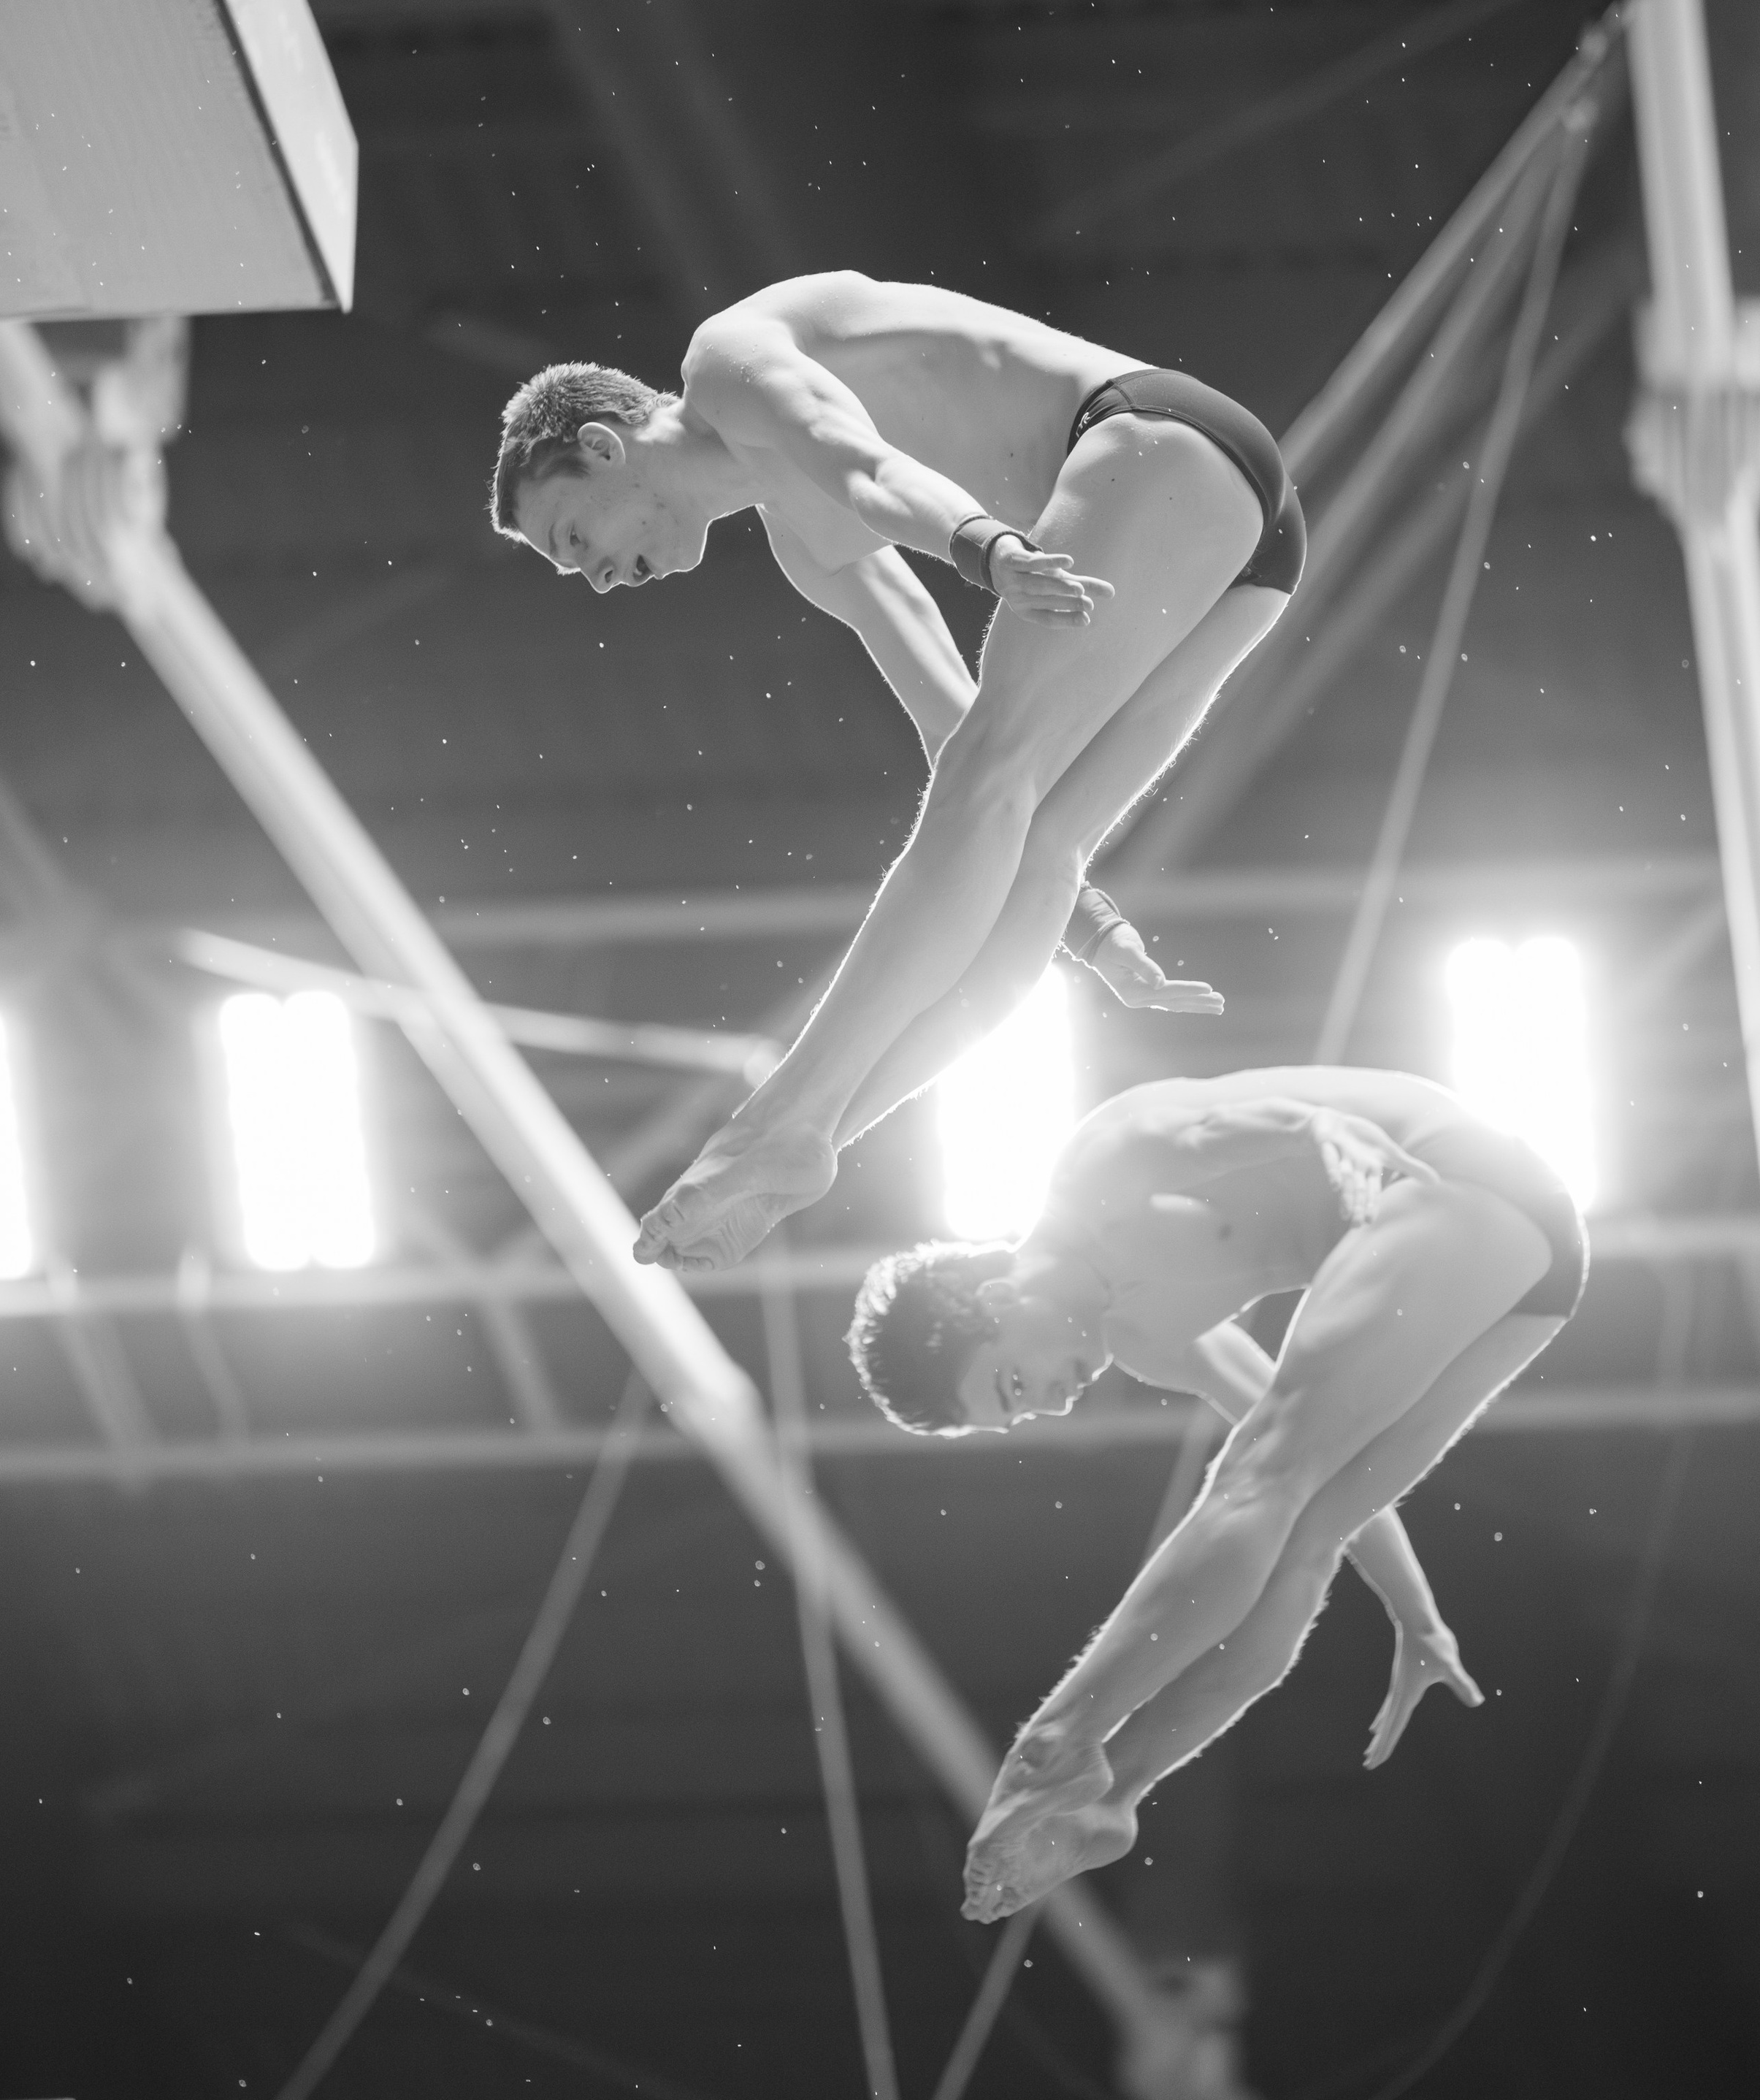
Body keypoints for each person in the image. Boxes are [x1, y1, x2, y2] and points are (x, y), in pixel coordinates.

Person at [490, 273, 1305, 1272]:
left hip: (1158, 436)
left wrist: (988, 549)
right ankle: (817, 1136)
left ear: (606, 447)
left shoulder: (729, 363)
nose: (597, 579)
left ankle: (774, 1119)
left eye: (575, 538)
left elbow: (866, 463)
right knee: (1033, 838)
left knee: (994, 784)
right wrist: (1087, 921)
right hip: (1253, 551)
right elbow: (947, 716)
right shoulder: (811, 550)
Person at [846, 1064, 1589, 1921]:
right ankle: (1115, 1793)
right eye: (1018, 1414)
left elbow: (1208, 1129)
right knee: (1303, 1529)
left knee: (1259, 1478)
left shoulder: (1092, 1175)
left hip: (1451, 1177)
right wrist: (1413, 1612)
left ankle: (1054, 1743)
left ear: (998, 1294)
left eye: (1017, 1382)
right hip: (1535, 1283)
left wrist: (1310, 1128)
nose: (1051, 1403)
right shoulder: (1146, 1340)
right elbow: (1311, 1467)